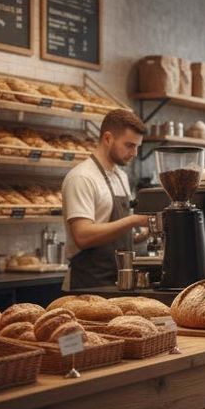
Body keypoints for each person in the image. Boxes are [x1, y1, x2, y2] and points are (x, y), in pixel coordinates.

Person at [62, 109, 149, 289]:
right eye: (129, 145)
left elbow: (117, 235)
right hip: (88, 284)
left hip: (119, 282)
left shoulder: (121, 176)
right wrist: (133, 220)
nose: (134, 153)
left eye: (137, 147)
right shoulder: (82, 177)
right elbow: (82, 236)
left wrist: (146, 232)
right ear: (108, 138)